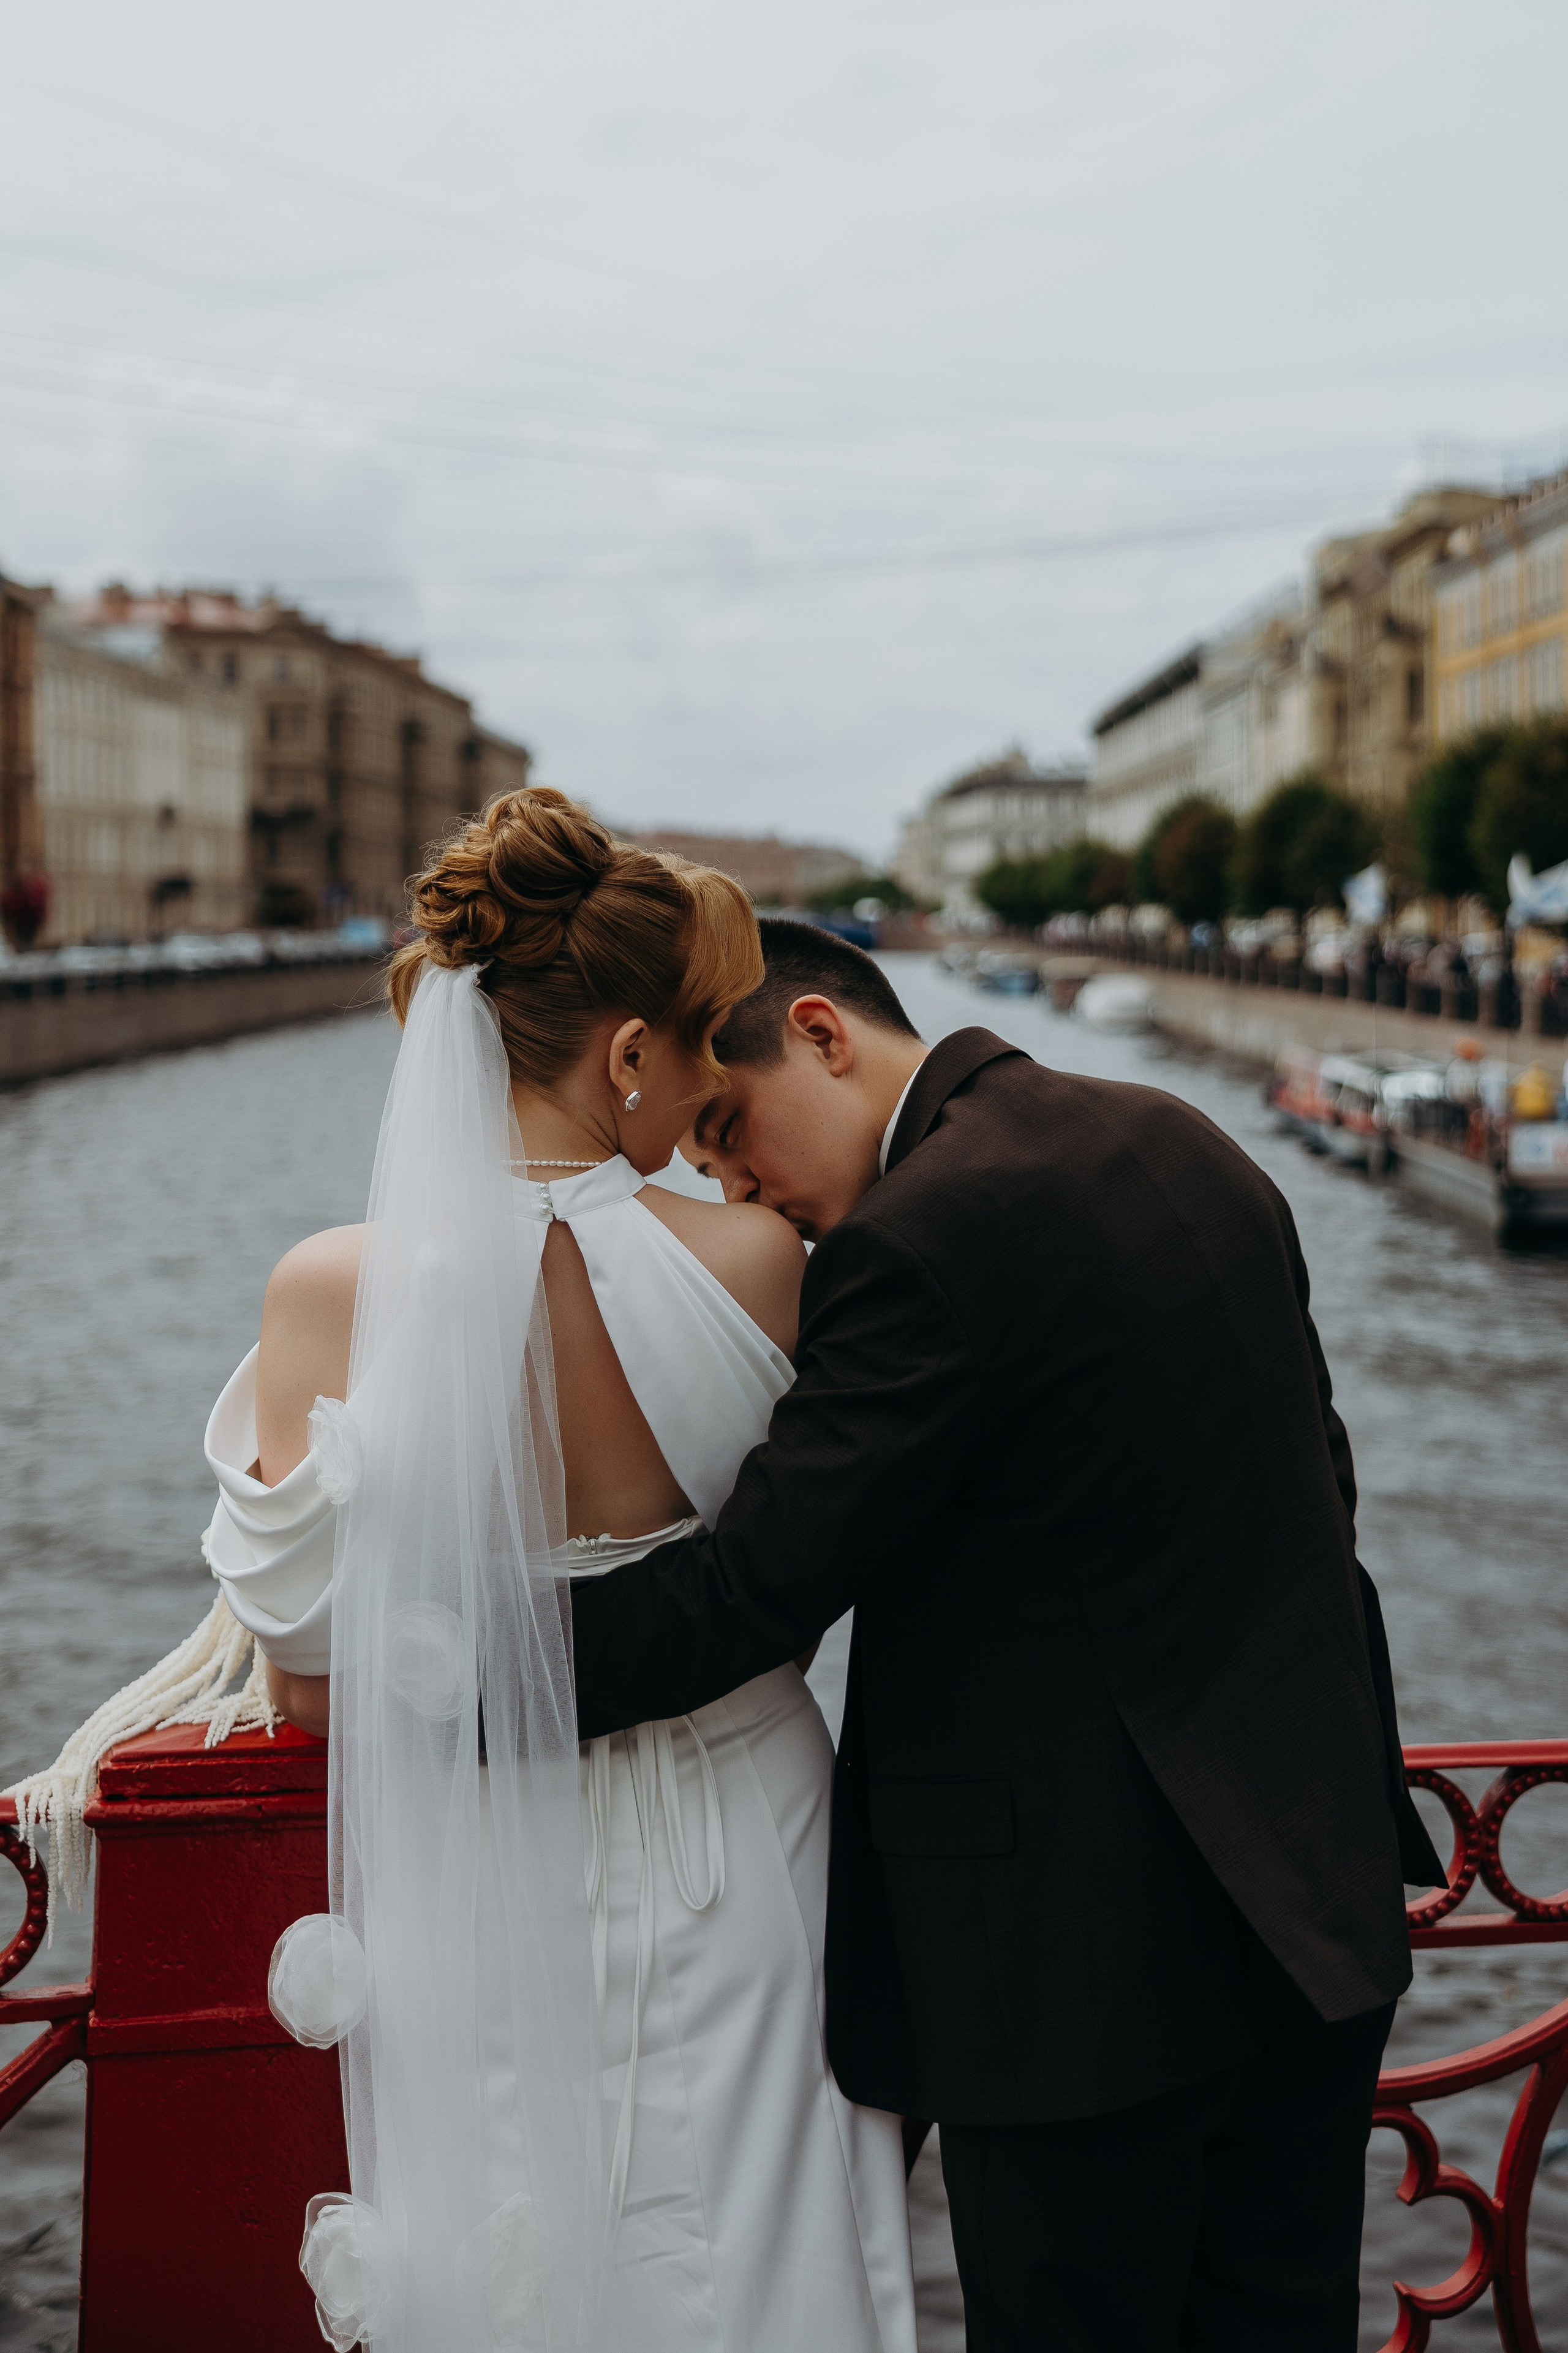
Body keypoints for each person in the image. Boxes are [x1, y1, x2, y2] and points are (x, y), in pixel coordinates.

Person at [568, 919, 1447, 2353]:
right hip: (1308, 1908)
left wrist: (460, 1661)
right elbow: (1314, 1490)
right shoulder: (1186, 1141)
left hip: (1076, 1987)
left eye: (725, 1129)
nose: (732, 1181)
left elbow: (750, 1590)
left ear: (820, 1031)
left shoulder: (919, 1238)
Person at [210, 798, 918, 2353]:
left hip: (482, 1852)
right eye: (689, 1051)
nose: (705, 1090)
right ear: (621, 1059)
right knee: (771, 2242)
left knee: (523, 2240)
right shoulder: (756, 1262)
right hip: (748, 1831)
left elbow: (307, 1685)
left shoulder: (327, 1291)